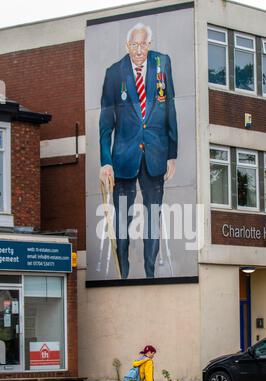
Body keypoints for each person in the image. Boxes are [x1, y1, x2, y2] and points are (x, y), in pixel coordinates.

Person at [99, 23, 178, 279]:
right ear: (127, 46)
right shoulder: (114, 73)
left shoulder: (163, 64)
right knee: (122, 220)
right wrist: (105, 161)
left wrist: (172, 153)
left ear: (150, 44)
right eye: (134, 45)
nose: (139, 50)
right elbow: (105, 123)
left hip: (155, 155)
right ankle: (123, 275)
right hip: (123, 158)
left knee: (153, 218)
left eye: (143, 44)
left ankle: (150, 274)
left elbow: (170, 109)